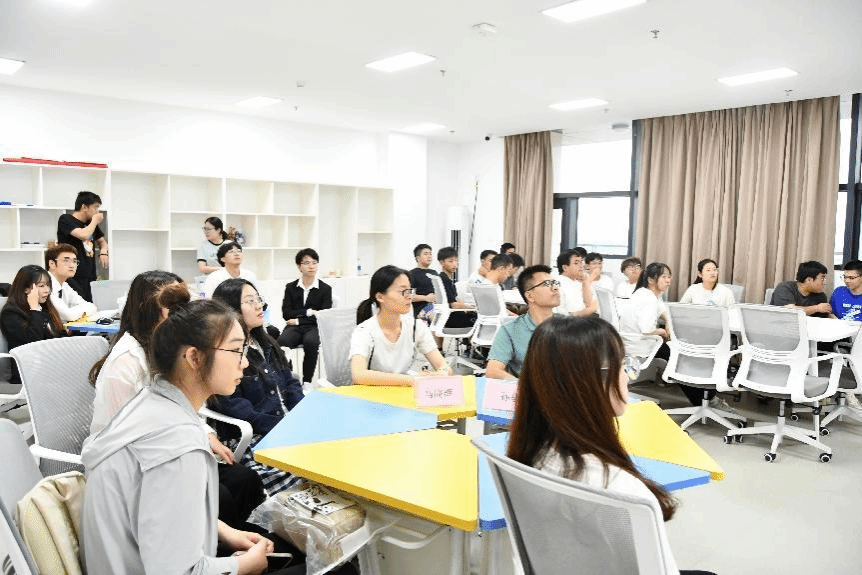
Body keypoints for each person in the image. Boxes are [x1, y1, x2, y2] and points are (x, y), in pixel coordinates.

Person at [506, 315, 716, 575]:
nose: (627, 377)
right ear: (593, 381)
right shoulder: (622, 490)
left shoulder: (528, 454)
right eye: (622, 365)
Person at [81, 299, 278, 575]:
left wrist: (223, 530)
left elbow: (155, 511)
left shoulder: (151, 403)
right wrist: (244, 564)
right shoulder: (178, 444)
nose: (244, 362)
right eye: (236, 350)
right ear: (194, 358)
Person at [88, 272, 266, 531]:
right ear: (148, 310)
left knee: (244, 479)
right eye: (173, 305)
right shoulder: (126, 363)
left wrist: (206, 434)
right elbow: (125, 438)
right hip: (140, 466)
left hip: (171, 448)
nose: (183, 313)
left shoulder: (172, 350)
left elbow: (182, 402)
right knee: (219, 495)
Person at [213, 279, 305, 495]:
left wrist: (301, 416)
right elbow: (235, 407)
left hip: (284, 427)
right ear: (231, 309)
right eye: (250, 301)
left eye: (258, 299)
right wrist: (284, 427)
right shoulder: (226, 352)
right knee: (300, 469)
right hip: (255, 436)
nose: (259, 306)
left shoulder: (266, 341)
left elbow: (290, 380)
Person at [349, 265, 451, 386]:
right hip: (372, 394)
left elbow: (443, 366)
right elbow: (359, 375)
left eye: (410, 290)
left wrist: (442, 373)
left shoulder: (416, 327)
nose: (409, 296)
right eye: (403, 291)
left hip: (403, 392)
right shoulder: (365, 331)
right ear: (380, 297)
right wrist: (411, 379)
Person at [485, 265, 560, 380]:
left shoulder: (569, 326)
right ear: (530, 296)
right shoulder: (510, 330)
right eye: (546, 284)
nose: (555, 288)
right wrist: (523, 387)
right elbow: (493, 371)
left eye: (555, 283)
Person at [0, 265, 66, 384]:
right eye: (41, 286)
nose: (47, 290)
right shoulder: (11, 313)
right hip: (28, 374)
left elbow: (61, 337)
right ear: (26, 289)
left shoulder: (44, 308)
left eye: (48, 285)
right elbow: (33, 342)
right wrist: (34, 309)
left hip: (51, 368)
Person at [277, 248, 333, 383]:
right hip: (294, 327)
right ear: (299, 266)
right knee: (282, 342)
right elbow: (286, 313)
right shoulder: (291, 287)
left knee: (311, 342)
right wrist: (308, 312)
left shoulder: (325, 289)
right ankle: (289, 378)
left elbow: (323, 316)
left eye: (314, 262)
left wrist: (298, 321)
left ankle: (307, 381)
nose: (311, 266)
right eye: (307, 263)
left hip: (314, 327)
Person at [56, 191, 108, 302]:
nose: (97, 212)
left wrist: (103, 252)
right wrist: (94, 221)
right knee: (77, 306)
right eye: (96, 207)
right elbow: (83, 235)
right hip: (72, 275)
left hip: (89, 274)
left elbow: (102, 242)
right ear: (84, 207)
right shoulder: (66, 219)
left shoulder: (90, 223)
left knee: (89, 306)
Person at [44, 243, 97, 322]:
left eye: (74, 261)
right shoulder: (44, 285)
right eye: (66, 261)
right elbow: (69, 315)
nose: (72, 265)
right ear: (52, 264)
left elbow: (92, 307)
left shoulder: (64, 285)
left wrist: (74, 312)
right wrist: (79, 312)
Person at [436, 246, 476, 329]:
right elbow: (453, 305)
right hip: (452, 318)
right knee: (479, 320)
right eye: (451, 261)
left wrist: (464, 306)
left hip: (448, 317)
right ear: (442, 263)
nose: (454, 264)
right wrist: (472, 307)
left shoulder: (443, 278)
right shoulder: (445, 280)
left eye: (456, 261)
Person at [554, 249, 598, 317]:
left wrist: (585, 283)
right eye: (576, 263)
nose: (581, 266)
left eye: (581, 262)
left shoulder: (578, 281)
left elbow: (590, 304)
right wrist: (591, 309)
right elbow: (572, 315)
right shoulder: (560, 283)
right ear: (565, 267)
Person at [408, 243, 438, 317]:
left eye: (430, 254)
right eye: (425, 254)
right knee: (435, 315)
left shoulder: (434, 273)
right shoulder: (411, 274)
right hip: (420, 308)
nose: (429, 256)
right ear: (418, 258)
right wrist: (426, 298)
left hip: (436, 306)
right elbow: (408, 296)